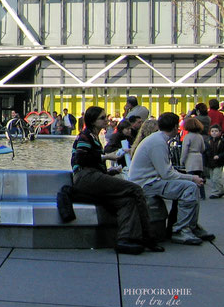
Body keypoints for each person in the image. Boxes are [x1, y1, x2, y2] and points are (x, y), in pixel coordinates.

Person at [70, 106, 161, 255]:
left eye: (105, 117)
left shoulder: (94, 137)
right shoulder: (85, 136)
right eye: (102, 118)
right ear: (93, 121)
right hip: (85, 178)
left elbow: (89, 161)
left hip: (91, 178)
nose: (106, 120)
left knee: (127, 201)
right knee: (135, 189)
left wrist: (109, 171)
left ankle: (125, 239)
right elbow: (80, 158)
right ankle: (148, 236)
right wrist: (106, 157)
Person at [127, 112, 214, 245]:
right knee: (190, 187)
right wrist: (191, 178)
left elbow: (166, 172)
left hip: (149, 181)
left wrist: (188, 177)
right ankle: (181, 230)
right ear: (174, 127)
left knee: (188, 185)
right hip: (146, 184)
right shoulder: (158, 143)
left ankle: (190, 225)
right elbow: (167, 174)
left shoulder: (157, 139)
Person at [181, 117, 206, 199]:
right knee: (199, 177)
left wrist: (182, 160)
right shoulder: (200, 136)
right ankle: (202, 195)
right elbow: (203, 148)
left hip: (190, 157)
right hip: (198, 157)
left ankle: (192, 194)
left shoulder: (188, 136)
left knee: (191, 177)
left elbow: (185, 149)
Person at [204, 124, 224, 198]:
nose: (214, 133)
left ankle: (215, 192)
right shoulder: (208, 141)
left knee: (216, 178)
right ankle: (221, 190)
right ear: (210, 132)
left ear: (220, 132)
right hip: (210, 162)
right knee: (212, 178)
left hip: (219, 162)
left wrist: (219, 156)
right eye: (212, 131)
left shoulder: (222, 141)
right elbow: (205, 152)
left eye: (216, 131)